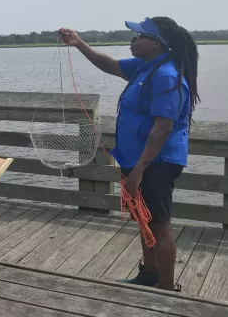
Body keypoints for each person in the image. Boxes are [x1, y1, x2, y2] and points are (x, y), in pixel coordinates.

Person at [60, 17, 199, 292]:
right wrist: (78, 44)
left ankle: (167, 289)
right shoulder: (145, 67)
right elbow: (109, 65)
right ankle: (149, 274)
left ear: (157, 44)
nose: (132, 41)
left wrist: (139, 171)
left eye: (138, 37)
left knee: (159, 224)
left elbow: (162, 129)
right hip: (137, 159)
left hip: (156, 162)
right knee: (144, 218)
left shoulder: (166, 76)